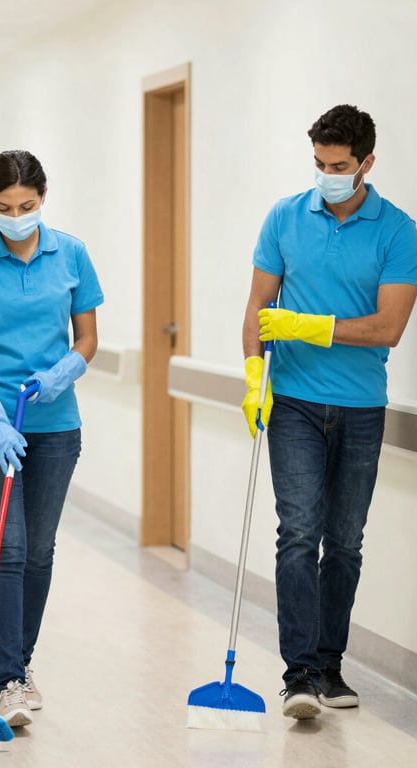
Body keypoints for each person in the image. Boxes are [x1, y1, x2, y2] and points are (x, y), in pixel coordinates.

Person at [241, 105, 417, 720]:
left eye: (339, 166)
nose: (327, 175)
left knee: (344, 544)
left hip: (362, 409)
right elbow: (259, 310)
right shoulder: (285, 218)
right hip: (292, 404)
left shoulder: (398, 231)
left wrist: (310, 326)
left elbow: (389, 327)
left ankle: (330, 664)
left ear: (367, 162)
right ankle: (299, 676)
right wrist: (253, 375)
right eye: (318, 163)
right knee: (298, 535)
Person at [0, 150, 104, 727]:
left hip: (56, 427)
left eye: (27, 206)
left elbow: (87, 337)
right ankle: (9, 680)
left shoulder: (72, 253)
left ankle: (21, 661)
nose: (16, 216)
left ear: (43, 199)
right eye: (4, 207)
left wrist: (65, 370)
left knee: (39, 551)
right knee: (6, 549)